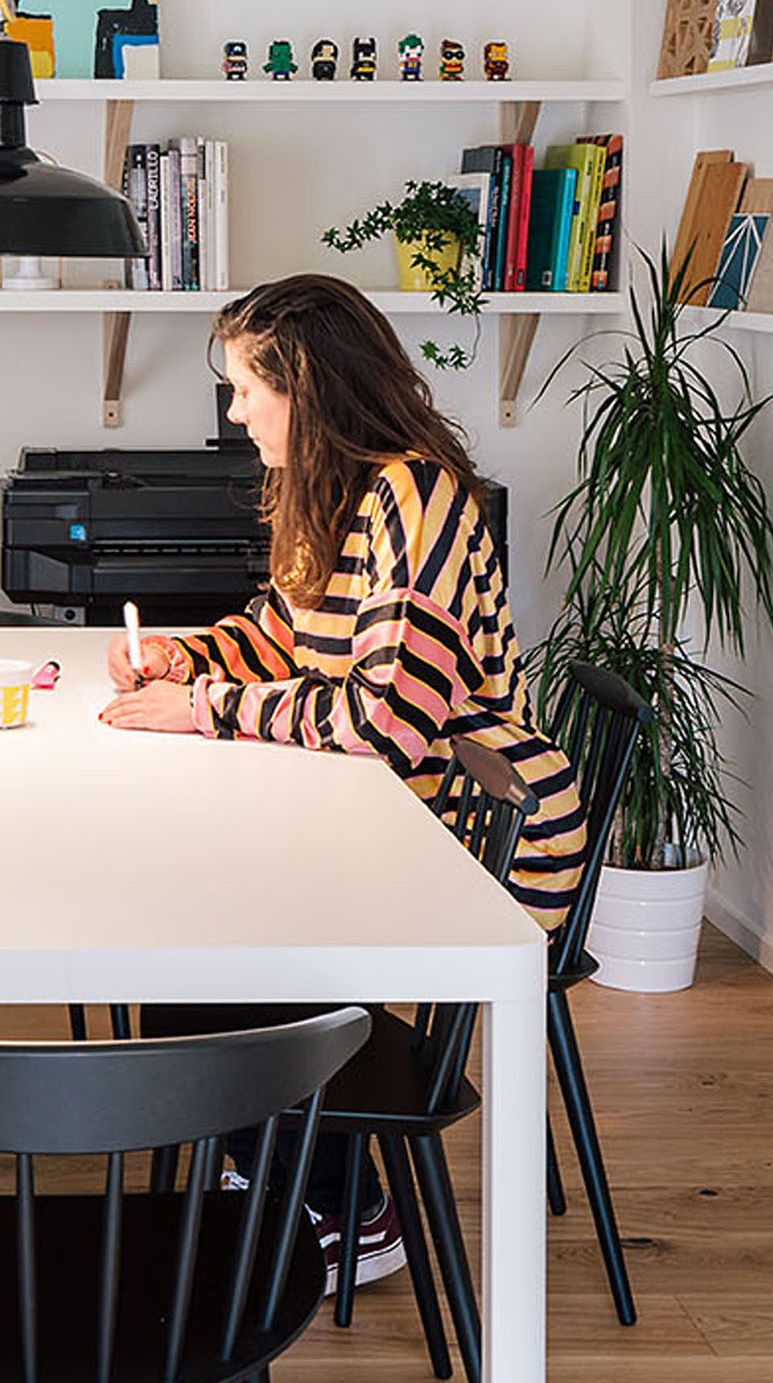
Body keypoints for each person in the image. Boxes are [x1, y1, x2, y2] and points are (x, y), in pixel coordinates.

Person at [100, 272, 589, 1287]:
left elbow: (385, 723)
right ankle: (268, 1153)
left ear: (310, 389)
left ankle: (346, 1206)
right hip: (396, 816)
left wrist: (205, 708)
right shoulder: (339, 491)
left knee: (217, 948)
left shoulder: (416, 499)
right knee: (192, 935)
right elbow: (285, 634)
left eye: (248, 389)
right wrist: (188, 658)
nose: (236, 412)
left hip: (479, 837)